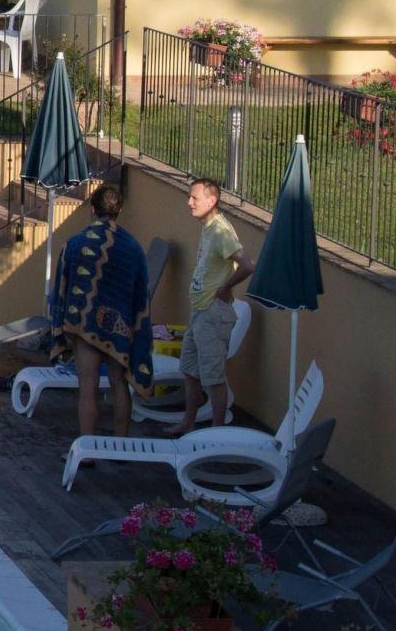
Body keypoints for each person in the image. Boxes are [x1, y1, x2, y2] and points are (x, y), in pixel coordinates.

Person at [47, 182, 155, 438]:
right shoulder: (133, 248)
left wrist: (61, 326)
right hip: (121, 327)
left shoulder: (75, 243)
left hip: (85, 326)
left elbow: (62, 287)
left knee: (88, 387)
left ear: (92, 210)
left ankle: (87, 449)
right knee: (119, 383)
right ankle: (120, 445)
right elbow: (141, 293)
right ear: (119, 211)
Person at [168, 176, 255, 436]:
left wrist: (226, 287)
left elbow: (247, 265)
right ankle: (188, 422)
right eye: (189, 197)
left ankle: (217, 434)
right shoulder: (207, 227)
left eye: (194, 197)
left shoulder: (221, 231)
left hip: (213, 313)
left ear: (212, 200)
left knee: (213, 377)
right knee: (190, 370)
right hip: (199, 311)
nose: (189, 202)